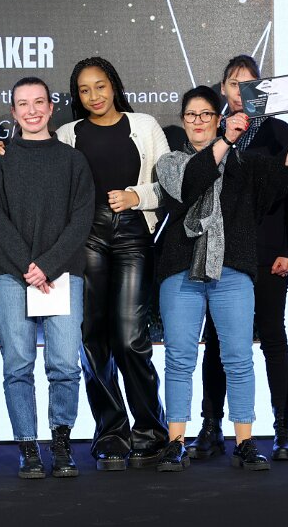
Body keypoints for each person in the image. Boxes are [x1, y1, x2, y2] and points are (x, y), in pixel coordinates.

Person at [153, 86, 288, 472]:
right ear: (183, 121)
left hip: (233, 270)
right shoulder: (171, 162)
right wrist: (225, 140)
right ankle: (175, 442)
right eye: (191, 115)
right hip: (181, 271)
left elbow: (282, 175)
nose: (198, 121)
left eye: (206, 114)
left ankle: (244, 443)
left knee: (239, 358)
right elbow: (192, 183)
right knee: (179, 359)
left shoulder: (243, 162)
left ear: (217, 119)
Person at [0, 77, 94, 479]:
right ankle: (28, 447)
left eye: (39, 102)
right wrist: (30, 266)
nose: (32, 110)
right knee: (17, 364)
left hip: (62, 273)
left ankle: (61, 441)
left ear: (50, 108)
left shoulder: (73, 161)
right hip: (11, 274)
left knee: (64, 364)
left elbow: (81, 219)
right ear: (13, 112)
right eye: (23, 104)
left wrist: (48, 264)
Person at [58, 57, 170, 470]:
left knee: (129, 337)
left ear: (115, 85)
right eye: (85, 90)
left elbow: (171, 182)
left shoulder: (144, 125)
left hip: (132, 235)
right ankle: (111, 431)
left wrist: (137, 196)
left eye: (100, 86)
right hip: (86, 238)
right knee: (92, 338)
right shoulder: (68, 134)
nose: (94, 96)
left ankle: (151, 430)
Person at [188, 55, 288, 461]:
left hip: (268, 250)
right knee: (218, 340)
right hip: (225, 251)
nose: (241, 93)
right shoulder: (214, 129)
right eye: (235, 84)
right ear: (223, 89)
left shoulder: (278, 130)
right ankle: (211, 425)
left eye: (251, 85)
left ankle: (283, 428)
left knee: (272, 336)